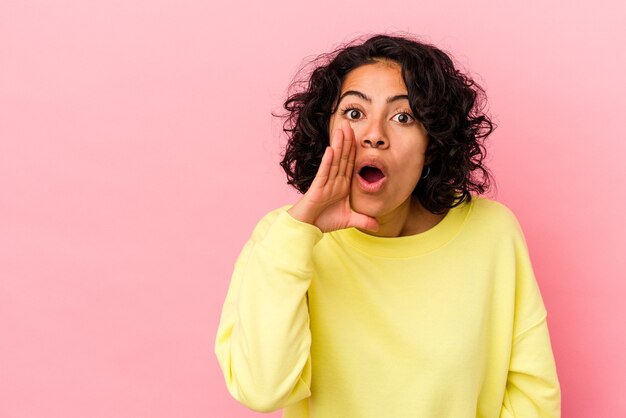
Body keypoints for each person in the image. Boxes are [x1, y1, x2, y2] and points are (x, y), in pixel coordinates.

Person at [215, 34, 561, 417]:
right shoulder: (282, 240)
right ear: (325, 128)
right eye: (354, 112)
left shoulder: (492, 232)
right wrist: (300, 232)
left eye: (403, 117)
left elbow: (534, 401)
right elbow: (261, 391)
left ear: (432, 141)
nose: (374, 134)